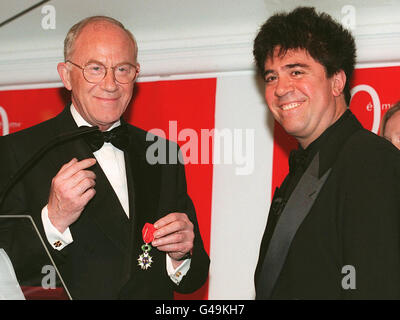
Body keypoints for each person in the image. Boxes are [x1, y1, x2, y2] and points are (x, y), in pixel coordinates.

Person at [0, 16, 209, 299]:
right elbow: (8, 271)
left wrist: (181, 254)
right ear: (66, 75)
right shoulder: (17, 152)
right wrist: (53, 220)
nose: (111, 84)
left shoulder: (163, 154)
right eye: (95, 69)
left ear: (136, 74)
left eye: (122, 69)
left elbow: (193, 279)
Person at [253, 7, 400, 299]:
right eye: (271, 77)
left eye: (296, 71)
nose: (281, 88)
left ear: (337, 82)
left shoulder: (371, 160)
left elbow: (375, 286)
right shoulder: (305, 169)